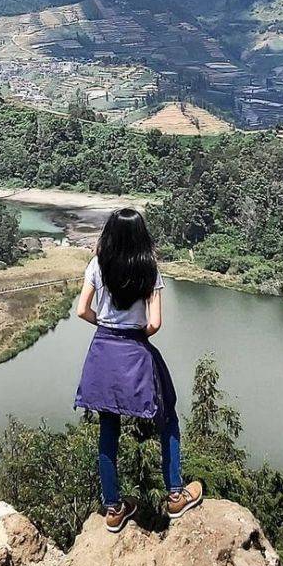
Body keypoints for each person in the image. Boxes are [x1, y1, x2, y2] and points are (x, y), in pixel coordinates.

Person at [74, 207, 203, 533]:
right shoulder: (149, 268)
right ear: (141, 236)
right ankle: (175, 494)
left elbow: (81, 310)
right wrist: (133, 335)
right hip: (135, 350)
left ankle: (114, 508)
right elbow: (155, 323)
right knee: (167, 416)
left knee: (108, 428)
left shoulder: (97, 265)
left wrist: (105, 327)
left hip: (103, 349)